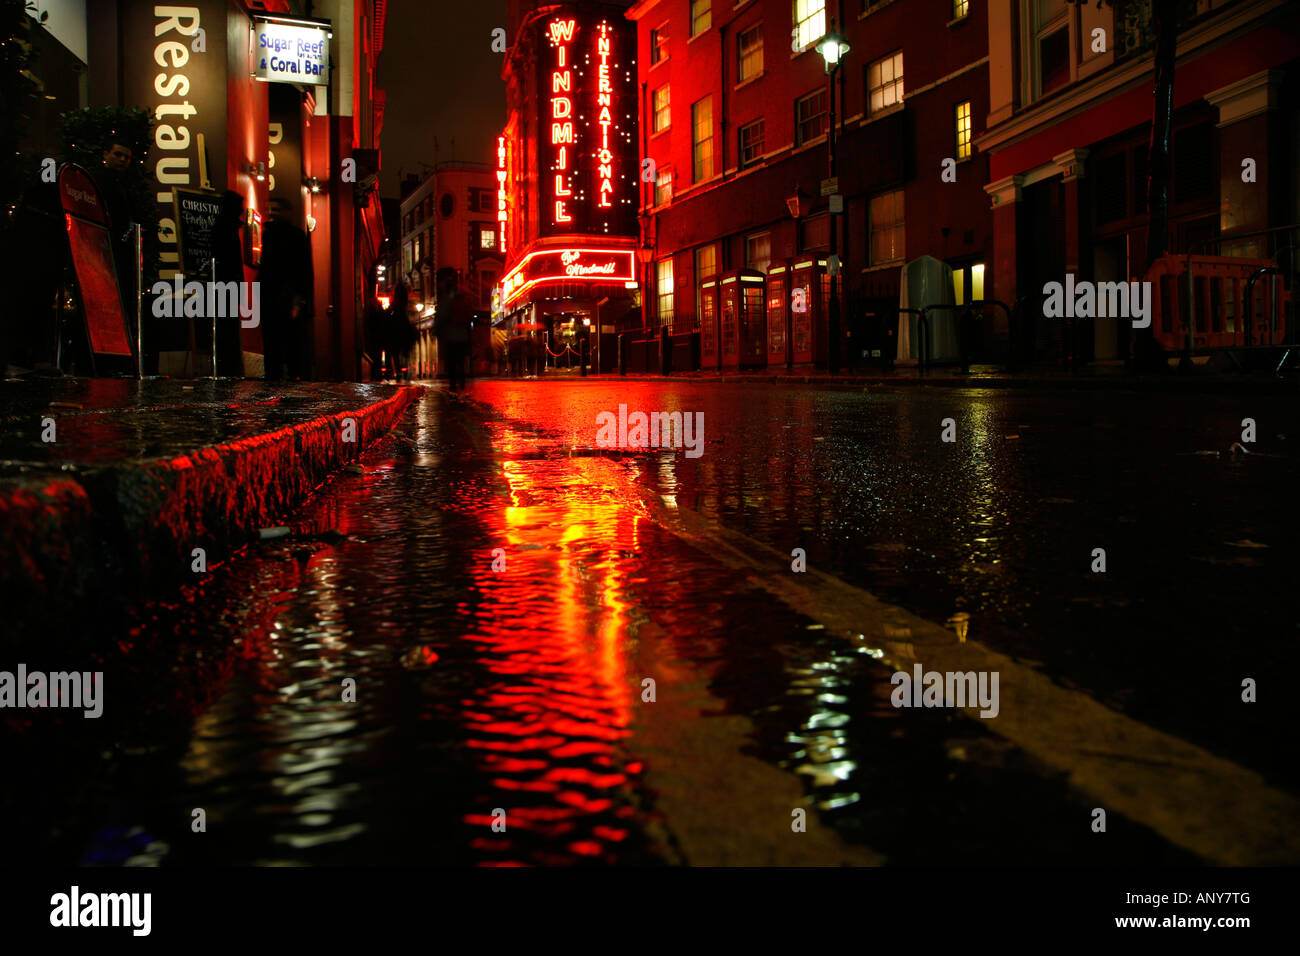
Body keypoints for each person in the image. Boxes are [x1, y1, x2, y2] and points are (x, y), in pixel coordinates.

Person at [258, 198, 313, 380]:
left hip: (276, 298)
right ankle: (291, 380)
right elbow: (304, 270)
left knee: (277, 347)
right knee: (291, 347)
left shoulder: (270, 235)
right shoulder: (295, 236)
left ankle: (276, 380)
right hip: (285, 298)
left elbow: (267, 268)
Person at [207, 190, 246, 377]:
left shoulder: (221, 227)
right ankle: (230, 369)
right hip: (227, 286)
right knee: (228, 329)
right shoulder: (228, 229)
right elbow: (232, 260)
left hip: (222, 285)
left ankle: (227, 368)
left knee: (226, 328)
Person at [433, 267, 473, 391]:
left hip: (450, 335)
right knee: (460, 360)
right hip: (462, 335)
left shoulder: (445, 300)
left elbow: (441, 316)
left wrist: (436, 330)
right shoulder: (462, 297)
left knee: (451, 360)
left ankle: (453, 384)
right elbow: (469, 315)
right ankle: (462, 382)